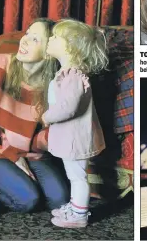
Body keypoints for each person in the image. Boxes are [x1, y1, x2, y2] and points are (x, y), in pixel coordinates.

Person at [0, 18, 70, 214]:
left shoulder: (56, 85)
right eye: (26, 34)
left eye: (34, 39)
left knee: (60, 201)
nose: (23, 41)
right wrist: (13, 156)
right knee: (29, 200)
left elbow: (46, 135)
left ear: (49, 54)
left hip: (33, 155)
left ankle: (14, 181)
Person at [32, 19, 108, 228]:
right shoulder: (68, 72)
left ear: (69, 46)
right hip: (71, 136)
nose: (51, 39)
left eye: (56, 37)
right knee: (75, 174)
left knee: (77, 177)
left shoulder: (72, 76)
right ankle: (76, 206)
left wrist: (47, 117)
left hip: (74, 138)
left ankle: (79, 215)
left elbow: (68, 107)